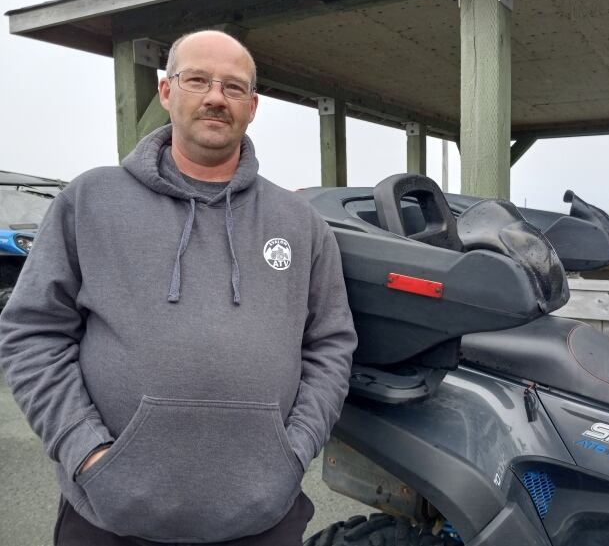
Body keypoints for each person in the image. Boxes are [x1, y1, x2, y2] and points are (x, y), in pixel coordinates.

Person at [0, 30, 357, 545]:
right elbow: (32, 332)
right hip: (109, 515)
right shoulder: (91, 201)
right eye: (198, 80)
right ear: (167, 92)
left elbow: (331, 344)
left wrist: (295, 450)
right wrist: (84, 450)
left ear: (252, 107)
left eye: (234, 88)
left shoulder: (299, 223)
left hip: (262, 517)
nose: (216, 96)